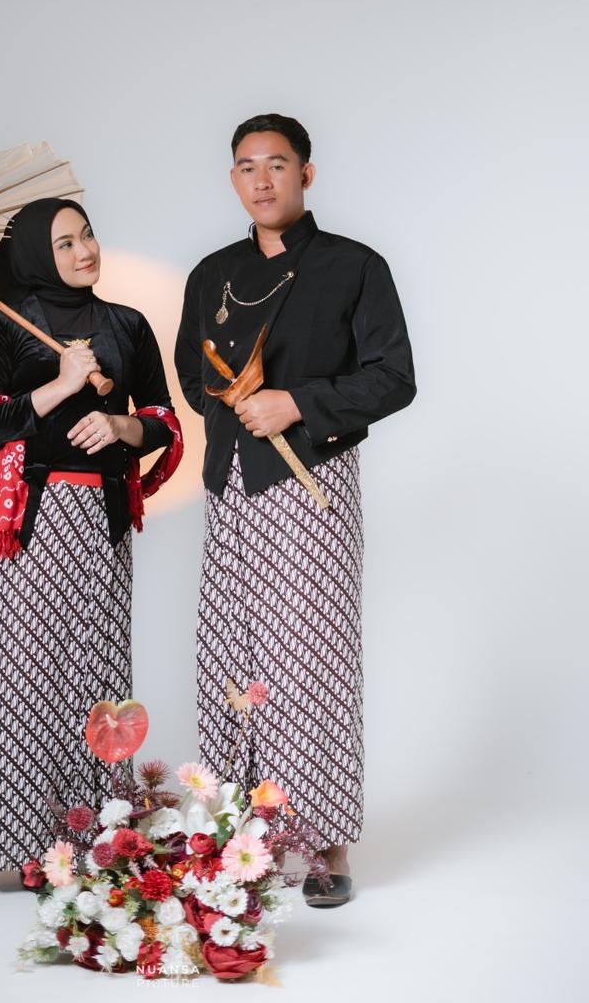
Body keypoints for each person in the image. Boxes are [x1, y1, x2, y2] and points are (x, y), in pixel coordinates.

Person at [174, 113, 415, 907]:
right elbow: (192, 374)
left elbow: (394, 377)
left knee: (310, 659)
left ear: (306, 174)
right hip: (231, 487)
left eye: (277, 164)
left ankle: (323, 844)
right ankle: (239, 835)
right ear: (233, 180)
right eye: (247, 166)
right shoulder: (212, 273)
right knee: (233, 658)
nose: (262, 179)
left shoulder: (354, 266)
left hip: (310, 480)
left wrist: (297, 403)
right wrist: (231, 398)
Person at [0, 197, 181, 874]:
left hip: (101, 523)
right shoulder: (4, 327)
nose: (85, 251)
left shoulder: (127, 325)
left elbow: (163, 422)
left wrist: (120, 426)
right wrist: (58, 387)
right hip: (29, 525)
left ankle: (98, 842)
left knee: (97, 673)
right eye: (64, 244)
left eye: (87, 235)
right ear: (34, 256)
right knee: (24, 674)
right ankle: (27, 847)